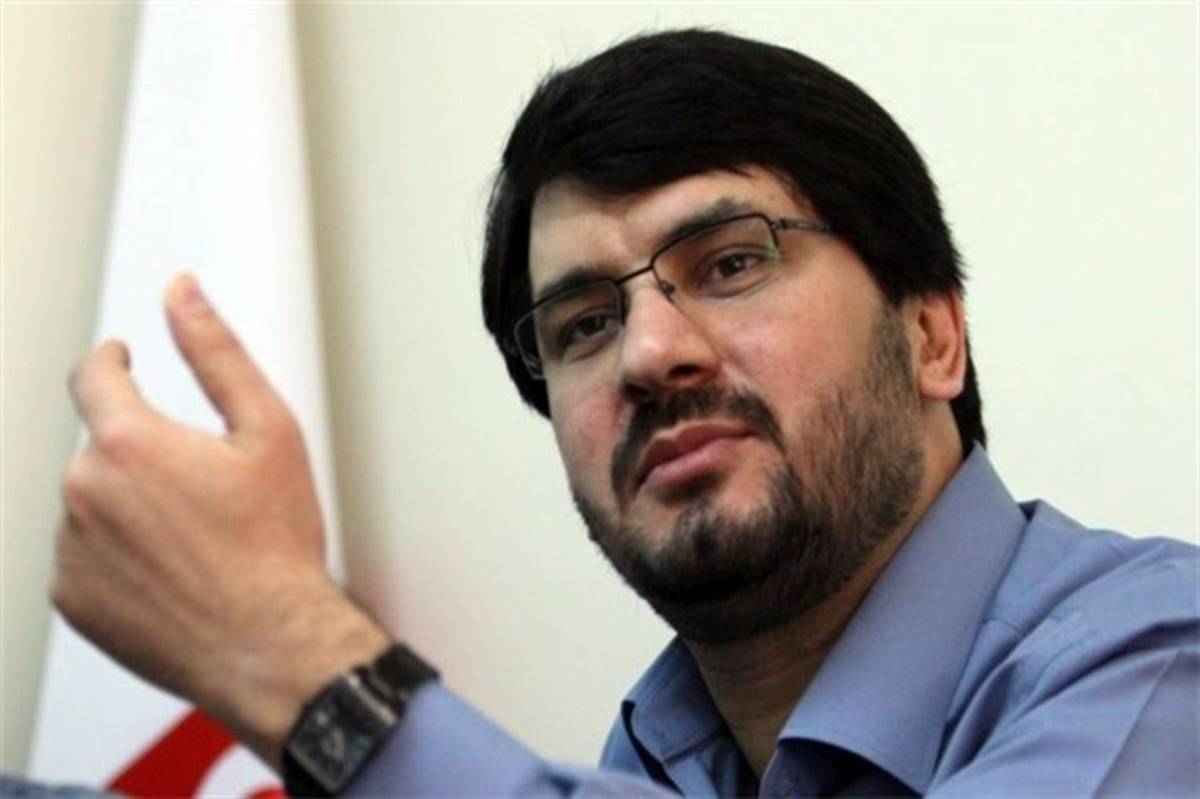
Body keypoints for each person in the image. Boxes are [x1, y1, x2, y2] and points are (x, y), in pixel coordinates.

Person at [54, 29, 1197, 797]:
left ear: (932, 335)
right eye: (585, 324)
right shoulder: (661, 753)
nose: (649, 354)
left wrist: (293, 655)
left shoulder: (1160, 657)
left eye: (732, 262)